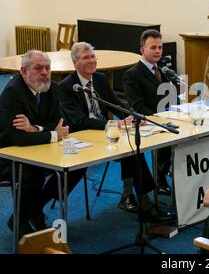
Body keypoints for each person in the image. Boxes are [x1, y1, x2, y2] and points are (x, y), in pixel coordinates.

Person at [59, 42, 172, 223]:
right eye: (86, 57)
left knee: (133, 148)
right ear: (75, 63)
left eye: (93, 56)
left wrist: (134, 116)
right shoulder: (66, 86)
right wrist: (114, 124)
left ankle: (141, 202)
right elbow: (78, 121)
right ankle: (138, 201)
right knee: (127, 147)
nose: (92, 61)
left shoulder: (101, 79)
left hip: (105, 133)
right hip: (81, 138)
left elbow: (116, 104)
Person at [0, 50, 83, 236]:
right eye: (39, 68)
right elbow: (19, 139)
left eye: (48, 68)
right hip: (8, 153)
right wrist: (53, 134)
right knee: (31, 173)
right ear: (24, 71)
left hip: (41, 147)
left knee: (77, 166)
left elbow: (60, 122)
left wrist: (35, 128)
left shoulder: (51, 88)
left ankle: (31, 210)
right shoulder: (13, 93)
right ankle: (22, 220)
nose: (45, 72)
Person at [123, 29, 175, 195]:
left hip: (166, 119)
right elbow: (137, 106)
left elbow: (171, 98)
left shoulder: (164, 71)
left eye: (160, 47)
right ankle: (158, 179)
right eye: (153, 47)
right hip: (147, 123)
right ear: (142, 50)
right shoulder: (132, 74)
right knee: (170, 135)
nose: (158, 51)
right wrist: (160, 120)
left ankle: (163, 176)